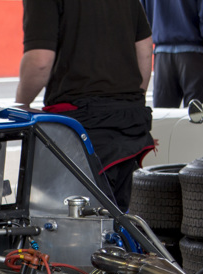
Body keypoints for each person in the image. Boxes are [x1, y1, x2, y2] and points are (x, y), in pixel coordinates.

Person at [16, 0, 154, 212]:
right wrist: (130, 101)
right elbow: (144, 49)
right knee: (122, 226)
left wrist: (21, 104)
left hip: (82, 128)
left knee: (76, 230)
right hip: (129, 124)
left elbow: (40, 61)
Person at [141, 0, 203, 108]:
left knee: (165, 118)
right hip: (195, 55)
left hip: (163, 57)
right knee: (198, 117)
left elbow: (141, 16)